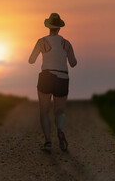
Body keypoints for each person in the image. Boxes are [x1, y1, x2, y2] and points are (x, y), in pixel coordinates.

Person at [28, 13, 77, 152]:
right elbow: (73, 63)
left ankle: (48, 142)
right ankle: (60, 131)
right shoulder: (66, 43)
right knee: (59, 111)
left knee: (44, 112)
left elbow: (31, 60)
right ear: (59, 28)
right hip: (62, 78)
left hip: (46, 77)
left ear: (49, 27)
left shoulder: (42, 42)